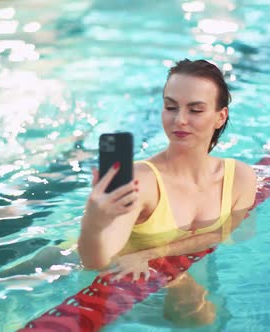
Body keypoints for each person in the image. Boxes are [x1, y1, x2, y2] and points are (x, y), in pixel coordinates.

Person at [78, 59, 258, 326]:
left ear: (221, 117)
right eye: (170, 107)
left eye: (195, 110)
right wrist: (93, 221)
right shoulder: (141, 180)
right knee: (202, 318)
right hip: (101, 276)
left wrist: (151, 253)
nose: (179, 120)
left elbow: (230, 234)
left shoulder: (240, 178)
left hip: (165, 277)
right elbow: (97, 261)